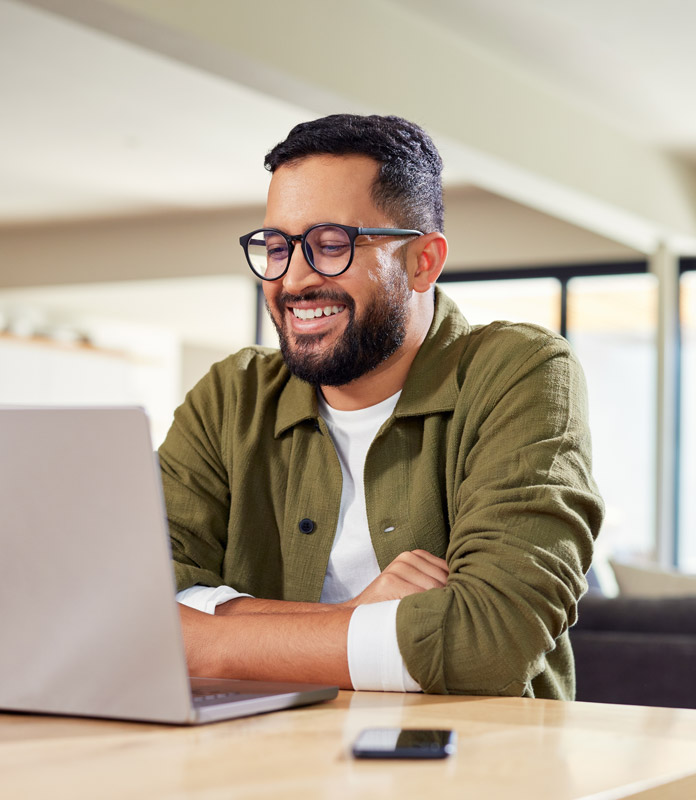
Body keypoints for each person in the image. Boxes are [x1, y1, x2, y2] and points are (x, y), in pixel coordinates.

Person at [159, 114, 603, 698]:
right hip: (256, 763)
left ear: (422, 261)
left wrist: (202, 639)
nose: (292, 280)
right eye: (276, 246)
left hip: (472, 771)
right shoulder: (230, 396)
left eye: (331, 245)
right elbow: (130, 601)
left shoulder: (521, 372)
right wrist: (363, 620)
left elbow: (490, 641)